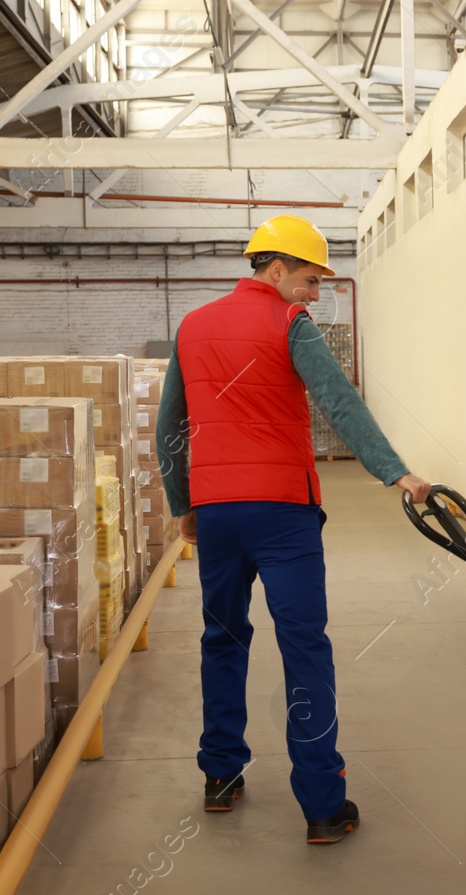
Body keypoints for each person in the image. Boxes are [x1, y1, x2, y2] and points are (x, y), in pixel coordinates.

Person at [156, 214, 430, 844]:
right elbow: (340, 402)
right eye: (309, 279)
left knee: (221, 640)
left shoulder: (192, 327)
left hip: (219, 513)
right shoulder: (289, 325)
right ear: (275, 269)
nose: (314, 293)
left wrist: (184, 503)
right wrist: (397, 473)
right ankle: (322, 808)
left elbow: (168, 427)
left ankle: (221, 776)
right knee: (304, 647)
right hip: (282, 512)